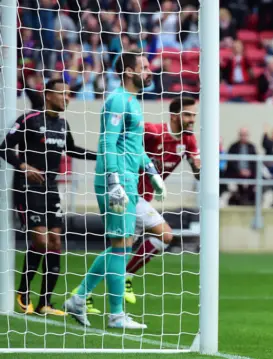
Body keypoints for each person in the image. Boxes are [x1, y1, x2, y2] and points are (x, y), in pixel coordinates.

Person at [63, 52, 166, 329]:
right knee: (121, 245)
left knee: (123, 244)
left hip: (129, 181)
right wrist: (113, 180)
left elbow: (135, 147)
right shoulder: (118, 101)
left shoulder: (133, 102)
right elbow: (108, 142)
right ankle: (116, 314)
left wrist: (153, 173)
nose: (149, 72)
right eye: (144, 68)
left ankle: (80, 298)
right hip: (117, 182)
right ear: (130, 71)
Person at [78, 96, 201, 311]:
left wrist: (203, 165)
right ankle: (126, 276)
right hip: (130, 194)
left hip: (144, 198)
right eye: (188, 114)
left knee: (118, 251)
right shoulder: (153, 132)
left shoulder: (188, 141)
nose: (192, 120)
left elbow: (199, 173)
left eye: (194, 115)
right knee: (165, 235)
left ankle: (81, 294)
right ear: (174, 116)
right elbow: (123, 136)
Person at [0, 79, 97, 316]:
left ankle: (45, 303)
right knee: (41, 241)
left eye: (69, 94)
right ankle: (23, 293)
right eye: (63, 94)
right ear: (49, 95)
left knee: (55, 242)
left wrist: (101, 155)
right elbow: (4, 147)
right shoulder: (29, 119)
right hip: (27, 188)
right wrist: (24, 166)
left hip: (50, 189)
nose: (67, 98)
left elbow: (72, 149)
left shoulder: (63, 124)